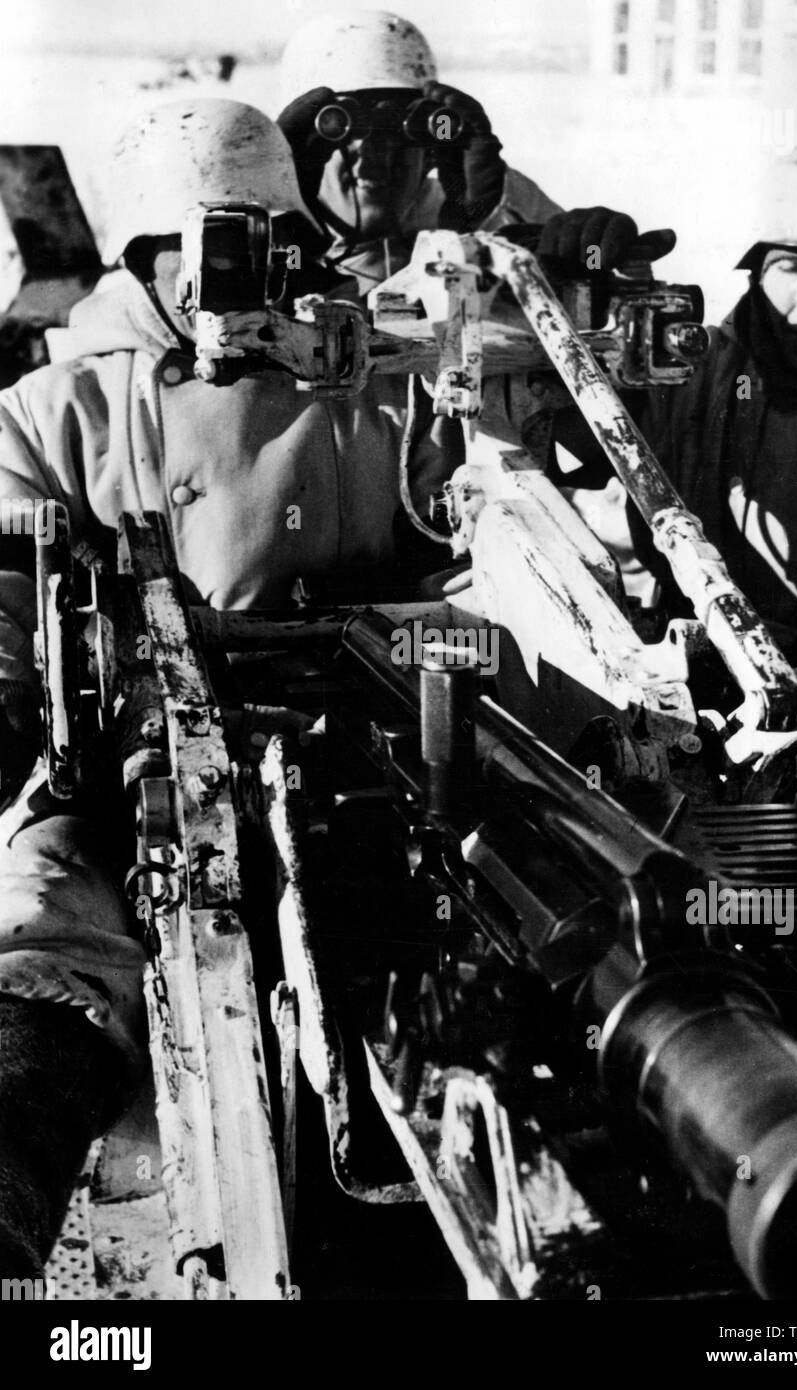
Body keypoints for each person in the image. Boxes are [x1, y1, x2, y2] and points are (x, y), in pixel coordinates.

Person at [0, 94, 469, 1278]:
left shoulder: (386, 388)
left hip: (369, 753)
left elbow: (479, 545)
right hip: (126, 766)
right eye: (208, 247)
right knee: (45, 917)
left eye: (271, 244)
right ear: (143, 259)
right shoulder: (60, 412)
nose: (240, 280)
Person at [551, 139, 797, 682]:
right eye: (793, 266)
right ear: (755, 271)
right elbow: (560, 446)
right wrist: (571, 291)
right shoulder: (685, 373)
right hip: (695, 678)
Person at [276, 9, 674, 303]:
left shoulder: (487, 204)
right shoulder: (265, 246)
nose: (376, 160)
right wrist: (283, 230)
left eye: (400, 134)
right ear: (305, 150)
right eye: (346, 133)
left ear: (432, 150)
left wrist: (486, 229)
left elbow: (579, 278)